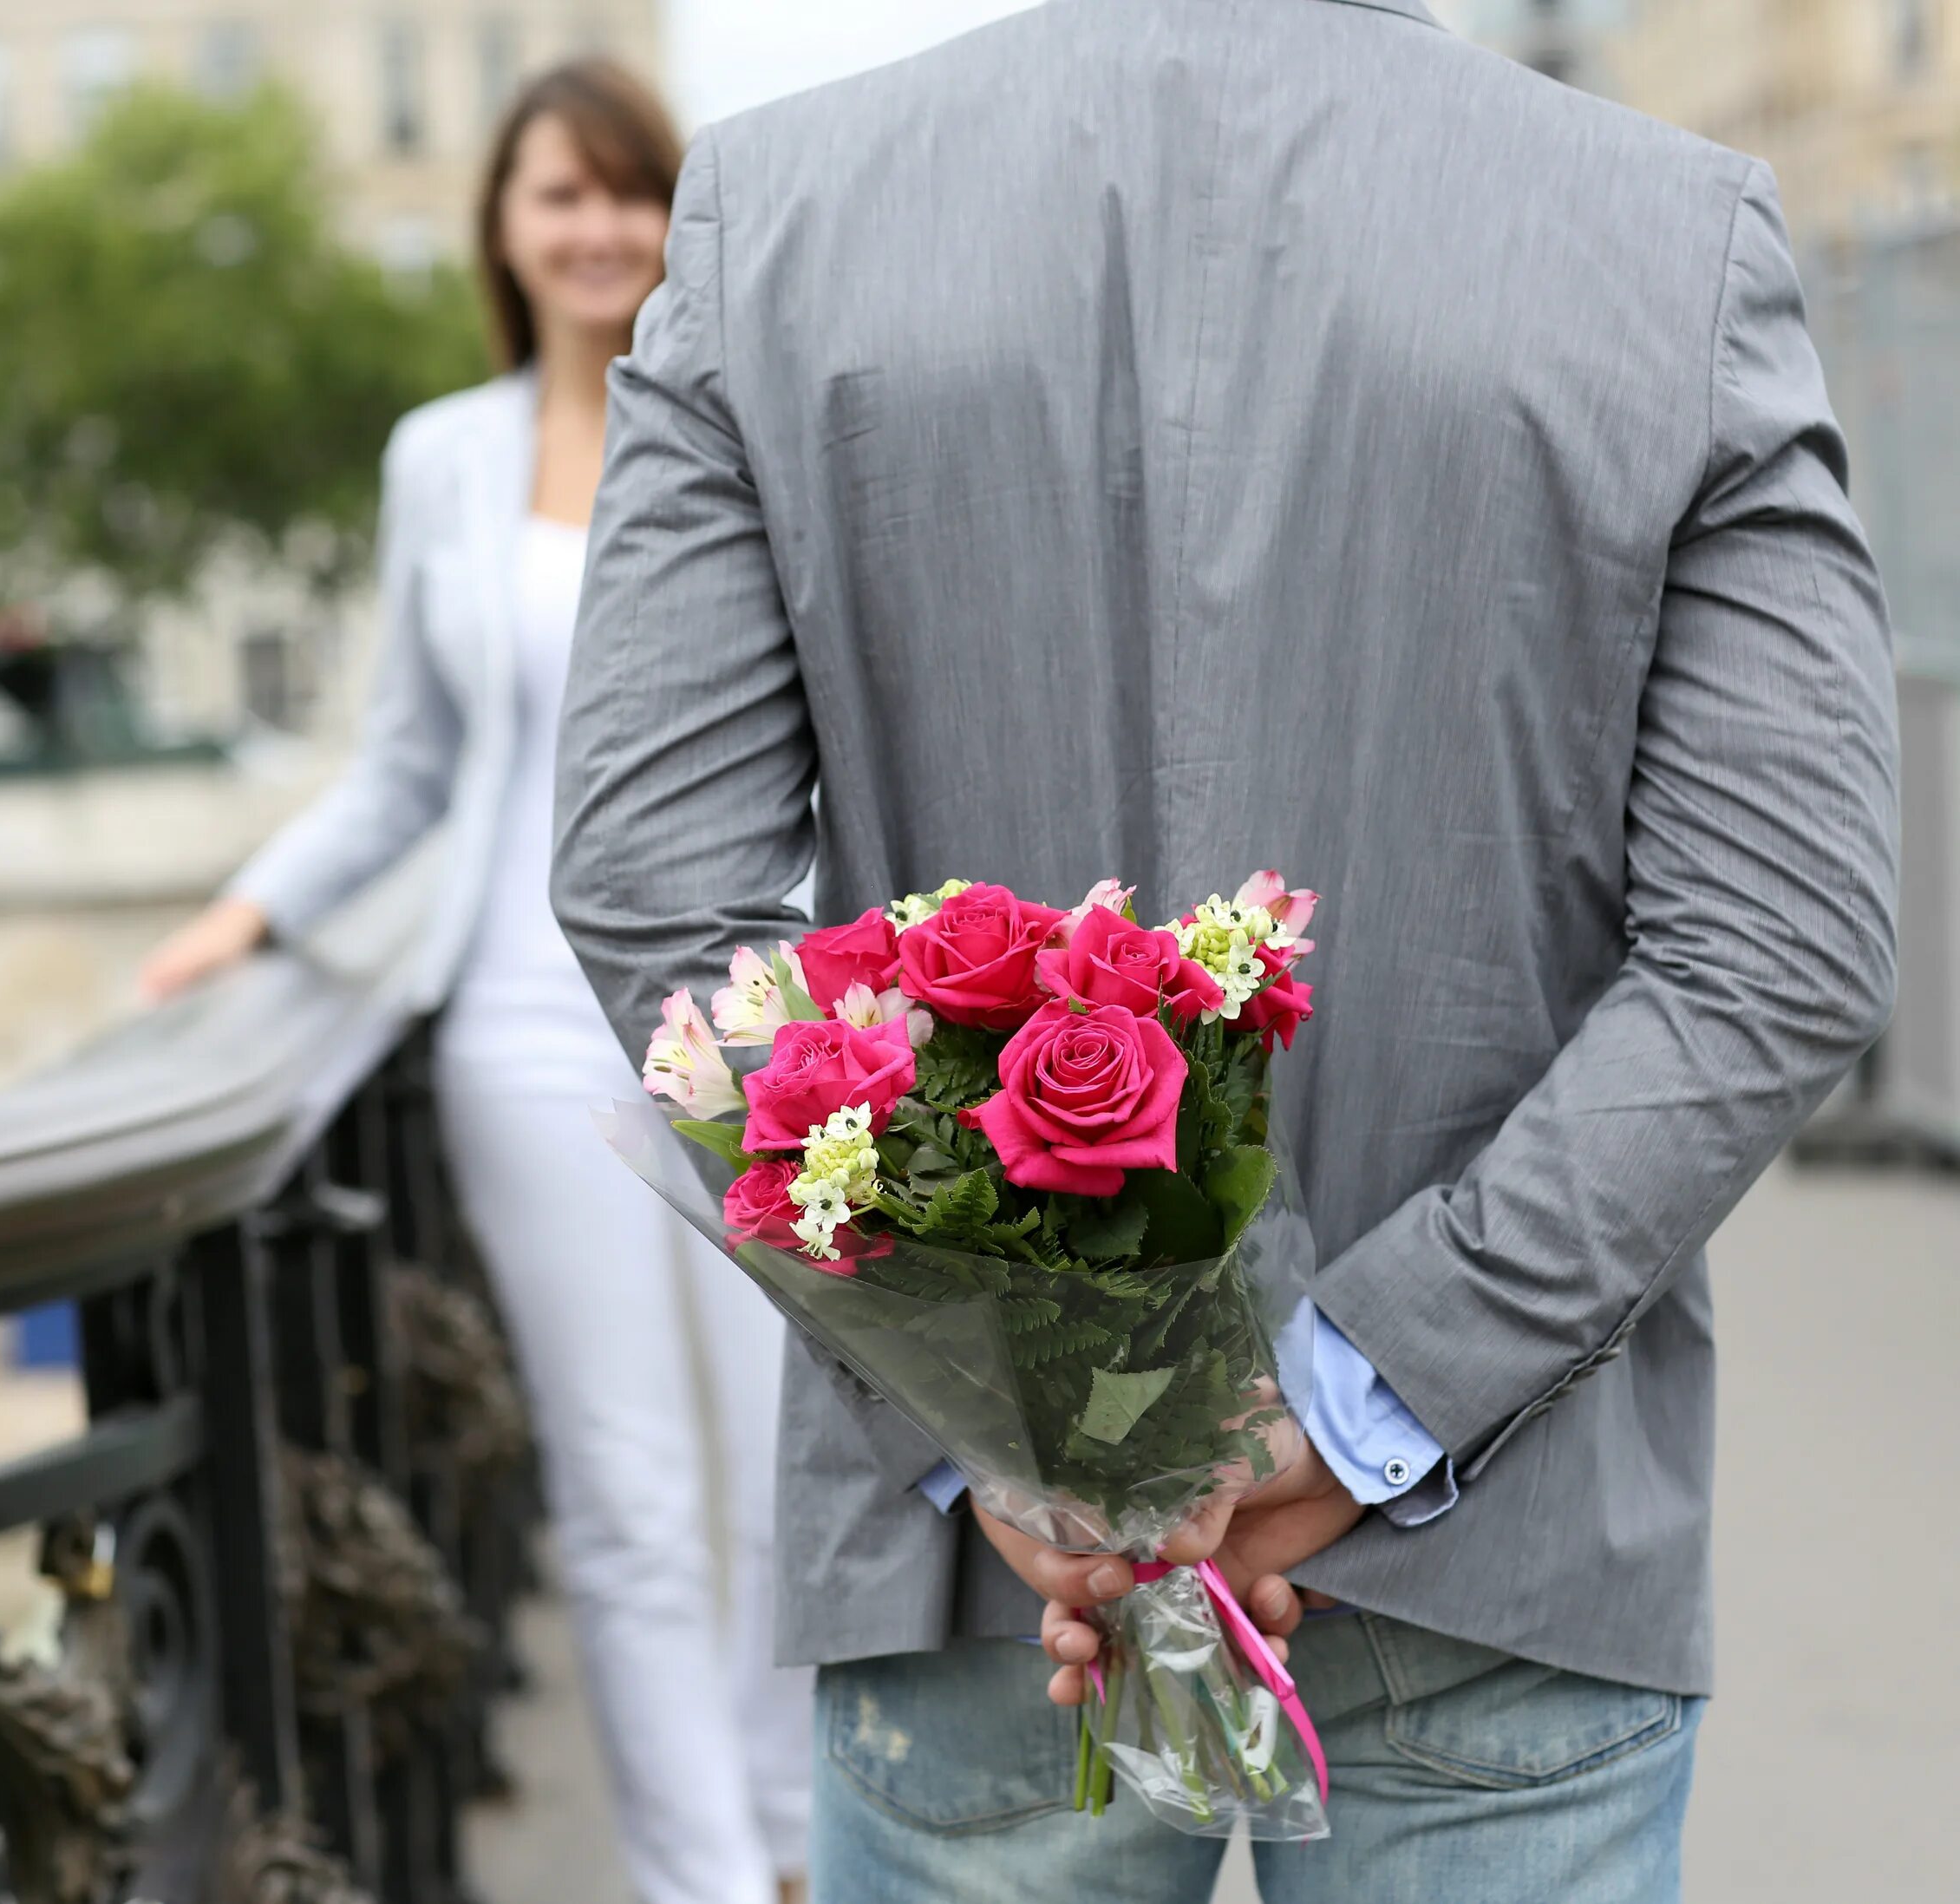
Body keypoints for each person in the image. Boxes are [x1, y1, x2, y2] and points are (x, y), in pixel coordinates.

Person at [549, 3, 1898, 1901]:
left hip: (995, 1575)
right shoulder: (1670, 233)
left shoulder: (775, 216)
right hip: (1499, 1514)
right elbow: (1785, 935)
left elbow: (655, 887)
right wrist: (1374, 1391)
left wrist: (1009, 1424)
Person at [139, 60, 813, 1904]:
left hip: (754, 1020)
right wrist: (251, 914)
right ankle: (699, 1877)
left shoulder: (752, 413)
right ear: (504, 230)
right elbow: (409, 768)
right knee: (624, 1495)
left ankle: (806, 1843)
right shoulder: (443, 454)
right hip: (516, 1022)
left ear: (673, 217)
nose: (594, 230)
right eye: (556, 197)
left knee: (784, 1463)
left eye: (625, 194)